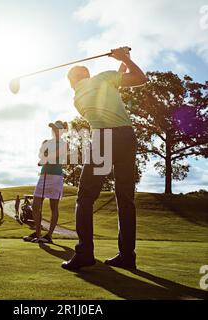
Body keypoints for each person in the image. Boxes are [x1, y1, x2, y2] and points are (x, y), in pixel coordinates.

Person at [62, 47, 147, 271]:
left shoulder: (77, 99)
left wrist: (122, 62)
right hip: (126, 137)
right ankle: (127, 256)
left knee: (85, 198)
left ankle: (85, 253)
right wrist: (126, 58)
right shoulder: (104, 79)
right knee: (125, 199)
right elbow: (140, 79)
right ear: (87, 75)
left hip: (103, 140)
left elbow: (116, 81)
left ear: (72, 82)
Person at [23, 120, 68, 244]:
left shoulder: (64, 143)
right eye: (54, 129)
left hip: (55, 176)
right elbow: (42, 157)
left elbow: (53, 156)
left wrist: (47, 157)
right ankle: (37, 233)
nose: (55, 131)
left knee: (54, 207)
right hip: (44, 175)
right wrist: (44, 157)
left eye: (58, 129)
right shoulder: (47, 142)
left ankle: (49, 236)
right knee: (36, 205)